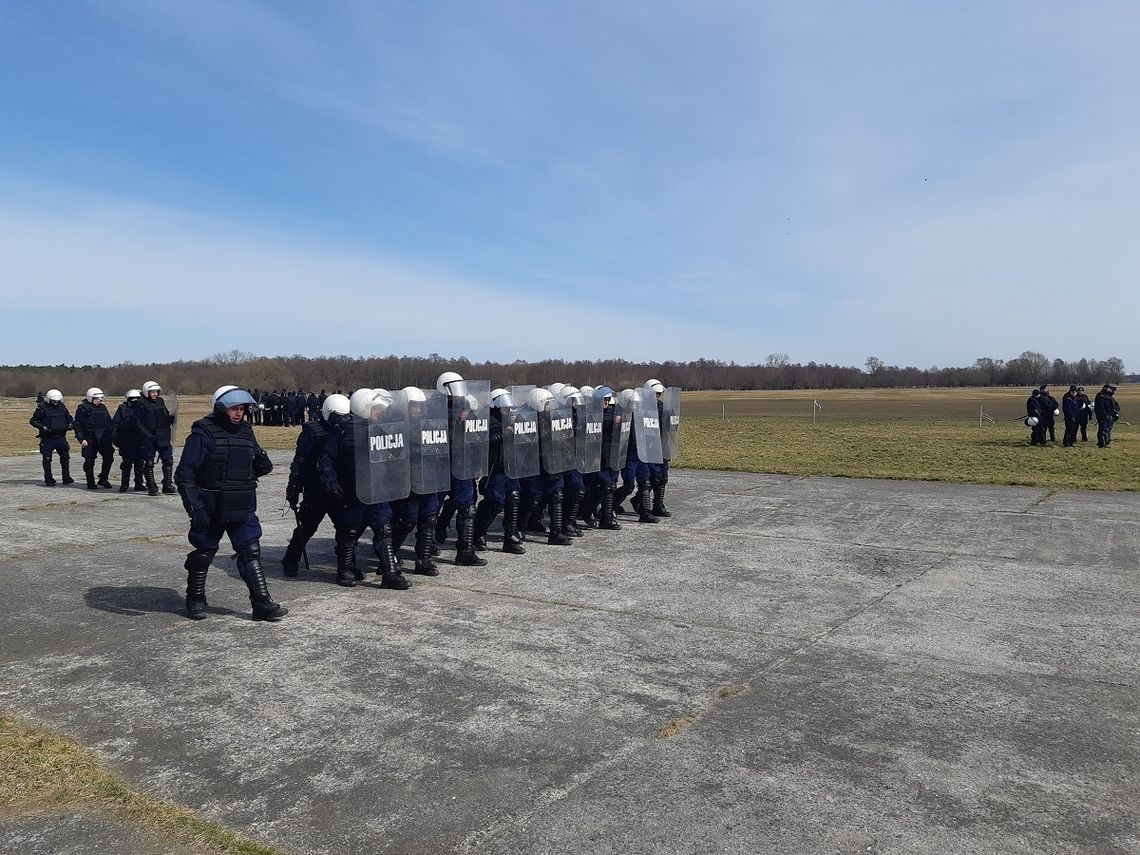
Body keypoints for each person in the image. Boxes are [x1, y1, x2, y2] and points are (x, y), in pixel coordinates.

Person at [174, 386, 286, 621]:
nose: (239, 413)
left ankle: (261, 603)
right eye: (234, 408)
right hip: (211, 504)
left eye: (243, 409)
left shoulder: (246, 431)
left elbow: (255, 463)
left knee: (251, 551)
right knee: (204, 552)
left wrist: (262, 463)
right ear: (221, 408)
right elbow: (185, 473)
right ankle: (195, 597)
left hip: (242, 503)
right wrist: (195, 507)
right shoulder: (202, 432)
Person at [319, 388, 411, 590]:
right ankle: (345, 570)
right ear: (363, 408)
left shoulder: (383, 428)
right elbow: (326, 459)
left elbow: (394, 456)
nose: (381, 413)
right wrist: (331, 482)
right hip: (351, 492)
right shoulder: (342, 431)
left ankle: (390, 574)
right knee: (350, 531)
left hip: (378, 489)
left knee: (384, 529)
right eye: (377, 409)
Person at [281, 393, 350, 577]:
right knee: (307, 526)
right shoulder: (311, 432)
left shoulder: (347, 430)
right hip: (315, 489)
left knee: (346, 528)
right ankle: (291, 558)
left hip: (338, 488)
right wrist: (293, 489)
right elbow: (299, 463)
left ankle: (346, 565)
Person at [132, 380, 176, 495]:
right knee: (149, 462)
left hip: (164, 435)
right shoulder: (140, 403)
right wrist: (149, 435)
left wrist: (171, 418)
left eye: (156, 391)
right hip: (149, 438)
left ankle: (167, 484)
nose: (155, 394)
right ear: (146, 392)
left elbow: (165, 415)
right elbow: (138, 423)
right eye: (152, 392)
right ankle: (151, 486)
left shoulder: (160, 401)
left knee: (168, 460)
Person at [29, 389, 73, 486]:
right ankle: (48, 478)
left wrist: (70, 424)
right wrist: (43, 427)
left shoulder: (62, 407)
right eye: (54, 401)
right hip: (48, 437)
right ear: (49, 400)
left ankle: (66, 477)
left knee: (65, 457)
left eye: (58, 401)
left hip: (61, 437)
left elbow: (69, 417)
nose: (56, 403)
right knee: (47, 458)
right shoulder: (42, 408)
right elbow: (33, 420)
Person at [74, 388, 115, 489]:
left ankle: (103, 479)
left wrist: (112, 435)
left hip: (103, 438)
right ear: (90, 398)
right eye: (97, 398)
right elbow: (78, 425)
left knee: (109, 458)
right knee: (89, 461)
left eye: (101, 398)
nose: (99, 400)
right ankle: (90, 482)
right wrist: (81, 439)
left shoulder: (103, 407)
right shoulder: (82, 408)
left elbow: (109, 422)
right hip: (89, 439)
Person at [112, 389, 146, 492]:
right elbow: (115, 424)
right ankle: (124, 484)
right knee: (127, 463)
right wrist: (115, 438)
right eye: (132, 399)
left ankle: (139, 483)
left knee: (139, 463)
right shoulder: (122, 409)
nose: (135, 401)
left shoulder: (143, 409)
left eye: (137, 399)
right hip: (126, 441)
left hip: (139, 440)